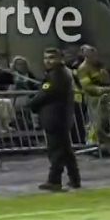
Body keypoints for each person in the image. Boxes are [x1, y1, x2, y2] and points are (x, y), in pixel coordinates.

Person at [27, 47, 80, 192]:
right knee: (66, 150)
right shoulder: (60, 73)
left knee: (56, 151)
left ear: (60, 59)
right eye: (46, 58)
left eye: (52, 58)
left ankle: (54, 181)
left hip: (55, 117)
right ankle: (75, 179)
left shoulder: (57, 74)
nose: (48, 61)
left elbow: (46, 94)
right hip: (60, 117)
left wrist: (31, 104)